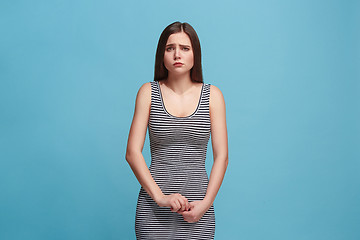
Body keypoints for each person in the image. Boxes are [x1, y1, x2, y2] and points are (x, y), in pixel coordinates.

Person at [125, 21, 228, 239]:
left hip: (198, 208)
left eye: (185, 48)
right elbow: (132, 153)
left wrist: (206, 204)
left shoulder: (213, 96)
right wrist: (161, 198)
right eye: (170, 48)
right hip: (154, 208)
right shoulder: (148, 92)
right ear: (161, 54)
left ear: (195, 54)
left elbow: (222, 157)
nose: (177, 55)